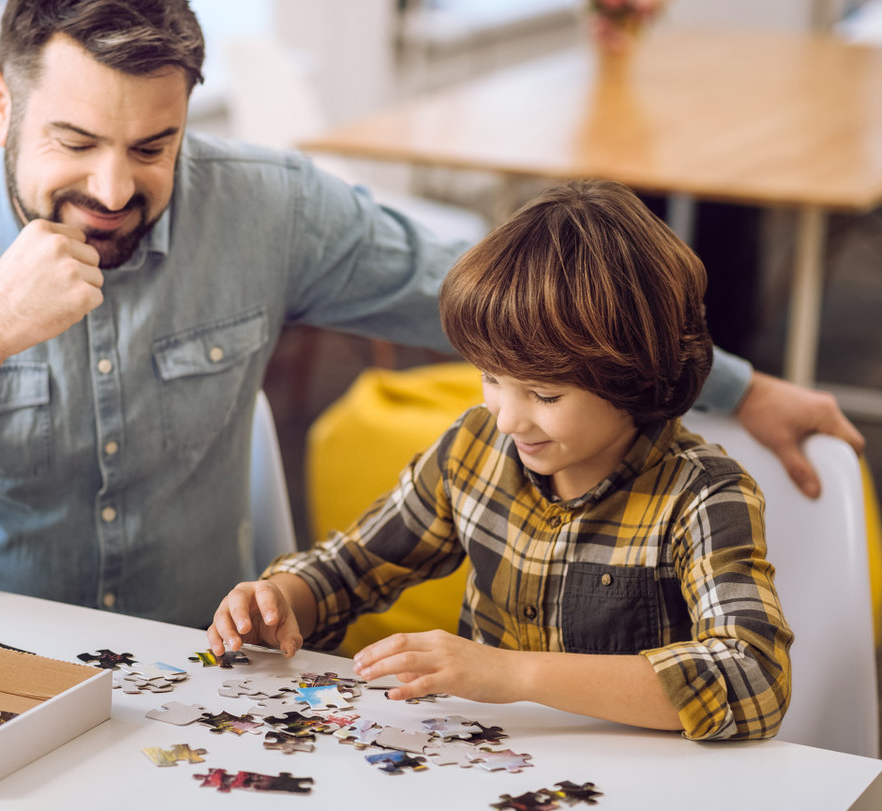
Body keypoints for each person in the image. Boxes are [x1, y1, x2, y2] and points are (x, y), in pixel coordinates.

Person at [0, 0, 858, 631]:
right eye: (74, 143)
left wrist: (743, 384)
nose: (113, 189)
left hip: (202, 675)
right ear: (2, 104)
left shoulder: (269, 206)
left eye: (152, 147)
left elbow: (514, 304)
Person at [208, 180, 793, 741]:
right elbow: (352, 567)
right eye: (491, 377)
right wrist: (279, 599)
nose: (508, 418)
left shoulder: (706, 496)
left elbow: (752, 677)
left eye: (545, 395)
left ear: (637, 379)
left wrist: (513, 673)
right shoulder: (476, 445)